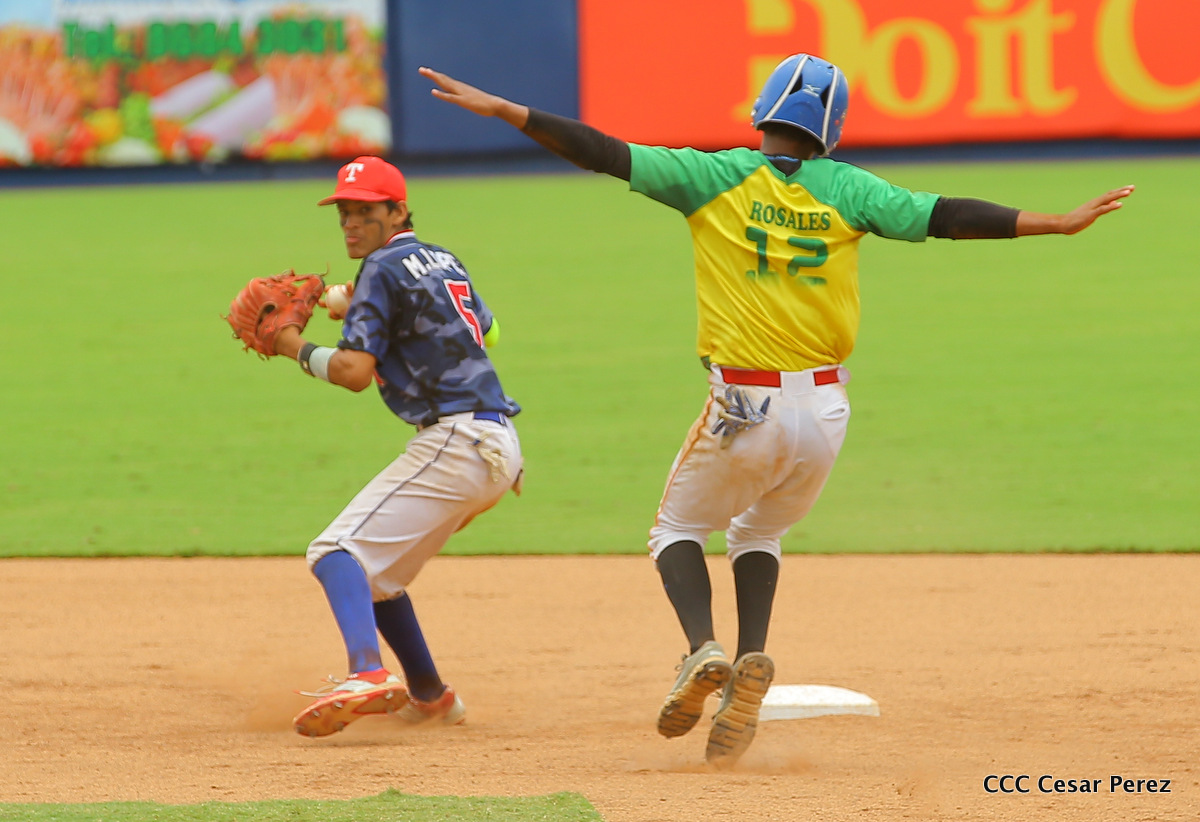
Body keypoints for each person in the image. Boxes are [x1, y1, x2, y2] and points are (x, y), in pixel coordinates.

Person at [419, 55, 1134, 765]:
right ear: (832, 130)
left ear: (763, 111)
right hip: (825, 410)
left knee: (675, 529)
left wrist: (507, 110)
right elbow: (946, 215)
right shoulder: (851, 188)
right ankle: (750, 664)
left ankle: (703, 649)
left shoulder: (712, 176)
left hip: (744, 401)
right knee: (758, 530)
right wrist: (1056, 221)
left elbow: (602, 151)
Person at [272, 155, 524, 737]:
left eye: (365, 211)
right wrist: (355, 298)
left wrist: (292, 346)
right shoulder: (441, 258)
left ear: (398, 210)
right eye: (344, 212)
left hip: (457, 441)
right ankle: (431, 696)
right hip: (497, 441)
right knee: (378, 577)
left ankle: (366, 672)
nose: (350, 223)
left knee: (334, 552)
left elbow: (355, 373)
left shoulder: (380, 271)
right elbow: (489, 331)